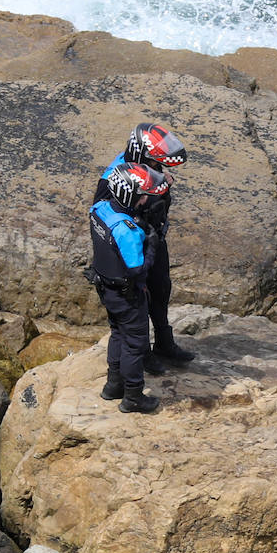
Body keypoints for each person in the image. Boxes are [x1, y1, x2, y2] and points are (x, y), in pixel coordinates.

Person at [93, 123, 194, 373]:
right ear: (140, 155)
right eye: (154, 162)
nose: (159, 167)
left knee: (161, 289)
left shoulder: (151, 167)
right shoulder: (114, 178)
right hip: (134, 247)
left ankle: (164, 342)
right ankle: (143, 354)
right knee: (140, 300)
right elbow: (105, 216)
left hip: (155, 238)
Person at [86, 162, 169, 413]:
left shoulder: (99, 210)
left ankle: (113, 385)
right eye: (142, 196)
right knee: (134, 344)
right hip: (128, 295)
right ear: (130, 196)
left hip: (106, 289)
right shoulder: (127, 231)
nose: (145, 200)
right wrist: (152, 243)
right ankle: (133, 396)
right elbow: (137, 269)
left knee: (117, 334)